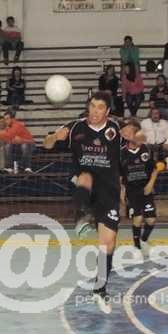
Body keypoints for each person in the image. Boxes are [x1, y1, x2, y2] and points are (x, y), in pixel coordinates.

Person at [42, 92, 129, 314]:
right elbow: (47, 145)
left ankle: (99, 289)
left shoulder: (116, 129)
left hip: (109, 191)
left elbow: (133, 146)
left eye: (100, 107)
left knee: (108, 244)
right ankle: (83, 214)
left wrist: (122, 191)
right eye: (92, 106)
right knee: (85, 177)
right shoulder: (75, 128)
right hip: (84, 183)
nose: (95, 111)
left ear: (107, 111)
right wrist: (54, 136)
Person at [121, 120, 161, 256]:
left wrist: (150, 184)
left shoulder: (146, 150)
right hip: (131, 191)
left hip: (146, 189)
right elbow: (119, 176)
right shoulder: (121, 153)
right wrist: (121, 192)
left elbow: (154, 169)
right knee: (137, 218)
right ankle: (137, 246)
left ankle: (143, 240)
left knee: (151, 220)